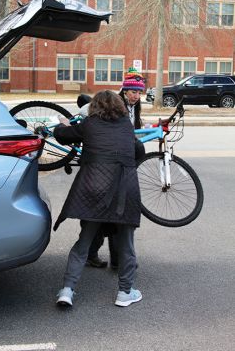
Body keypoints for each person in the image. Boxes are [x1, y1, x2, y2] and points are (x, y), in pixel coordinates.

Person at [53, 90, 144, 307]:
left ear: (94, 107)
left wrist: (63, 124)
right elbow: (139, 151)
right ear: (119, 107)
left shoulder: (89, 124)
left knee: (83, 241)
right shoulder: (126, 125)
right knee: (127, 244)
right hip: (124, 190)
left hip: (93, 188)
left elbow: (62, 136)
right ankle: (125, 292)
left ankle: (67, 290)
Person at [85, 67, 146, 270]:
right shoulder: (115, 106)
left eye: (139, 92)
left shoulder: (134, 107)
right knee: (103, 219)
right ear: (125, 91)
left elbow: (133, 129)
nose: (136, 96)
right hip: (109, 167)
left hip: (119, 168)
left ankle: (117, 260)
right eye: (133, 92)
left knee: (112, 218)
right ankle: (95, 255)